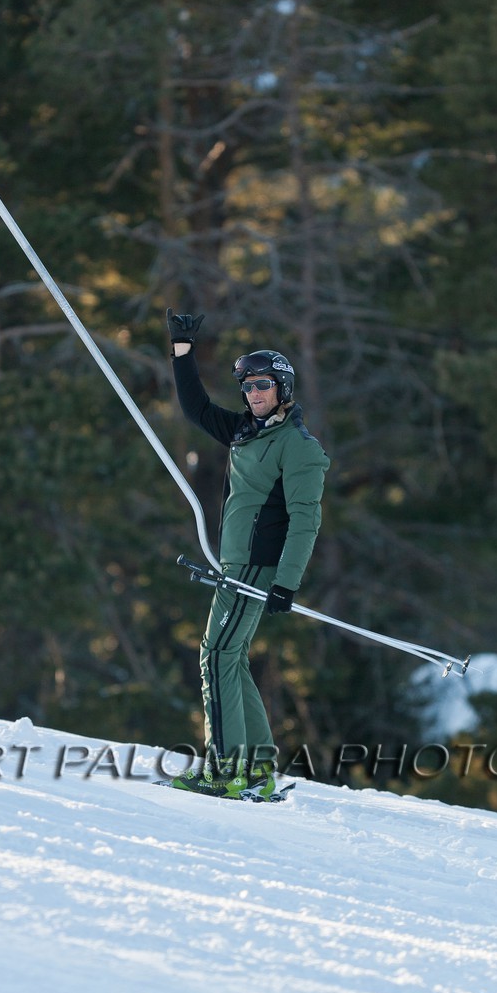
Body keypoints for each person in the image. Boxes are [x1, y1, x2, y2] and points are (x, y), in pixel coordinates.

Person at [165, 307, 330, 799]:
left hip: (257, 568)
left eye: (264, 385)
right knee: (230, 659)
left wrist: (287, 582)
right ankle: (256, 767)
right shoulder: (245, 432)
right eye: (249, 387)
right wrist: (182, 350)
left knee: (215, 656)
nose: (255, 394)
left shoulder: (296, 446)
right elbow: (195, 409)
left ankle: (224, 771)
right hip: (235, 565)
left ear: (283, 389)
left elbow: (307, 519)